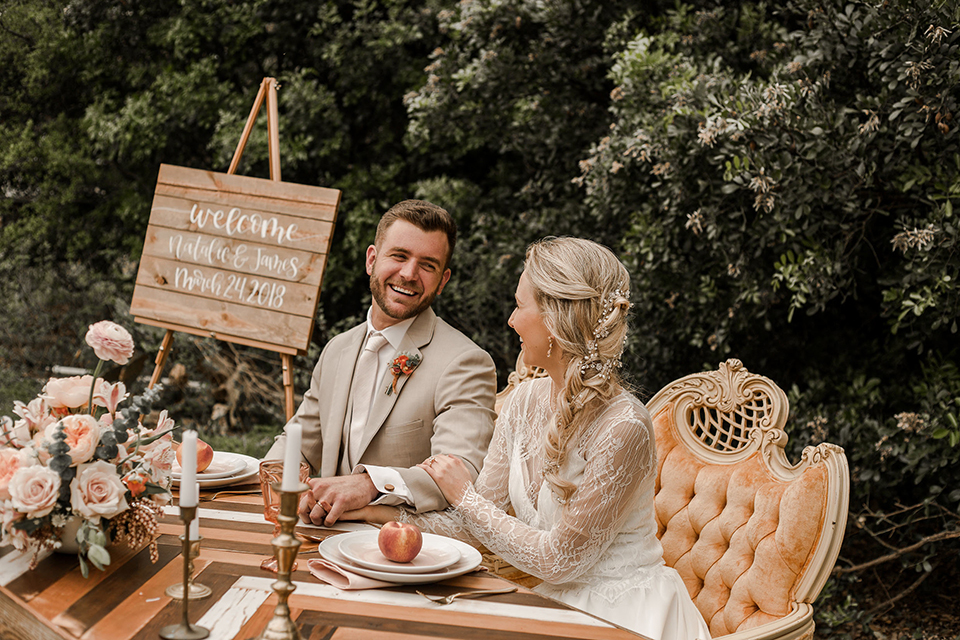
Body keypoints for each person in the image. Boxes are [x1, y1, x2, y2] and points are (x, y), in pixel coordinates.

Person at [346, 237, 711, 640]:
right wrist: (374, 511)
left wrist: (463, 495)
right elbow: (475, 528)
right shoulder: (523, 401)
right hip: (551, 602)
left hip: (623, 615)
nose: (511, 321)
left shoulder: (624, 426)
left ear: (555, 320)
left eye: (520, 306)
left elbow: (560, 561)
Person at [264, 200, 497, 526]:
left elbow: (458, 469)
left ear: (442, 281)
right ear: (372, 259)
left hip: (403, 553)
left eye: (427, 265)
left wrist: (370, 484)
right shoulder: (337, 349)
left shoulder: (466, 362)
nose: (409, 273)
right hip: (318, 538)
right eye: (399, 256)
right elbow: (297, 445)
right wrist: (282, 486)